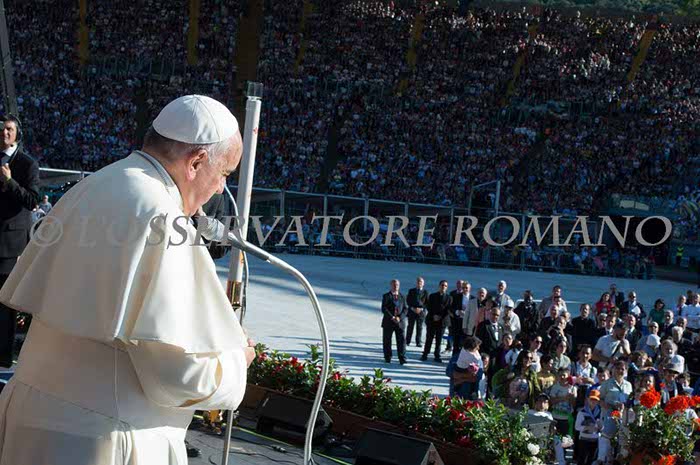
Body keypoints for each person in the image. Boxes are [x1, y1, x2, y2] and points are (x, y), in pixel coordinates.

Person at [0, 95, 255, 464]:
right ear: (197, 162)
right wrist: (236, 362)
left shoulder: (94, 183)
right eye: (225, 174)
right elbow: (177, 376)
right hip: (100, 440)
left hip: (29, 418)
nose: (219, 189)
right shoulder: (163, 218)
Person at [0, 114, 40, 368]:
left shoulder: (27, 164)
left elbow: (32, 200)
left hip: (10, 244)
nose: (4, 133)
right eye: (1, 129)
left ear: (17, 134)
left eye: (9, 129)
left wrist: (9, 181)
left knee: (4, 303)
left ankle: (3, 356)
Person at [421, 280, 451, 363]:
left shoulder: (449, 298)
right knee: (429, 338)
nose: (443, 287)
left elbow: (448, 309)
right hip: (432, 320)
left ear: (447, 287)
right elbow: (429, 306)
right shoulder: (432, 296)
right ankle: (425, 354)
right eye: (442, 285)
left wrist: (440, 316)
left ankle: (437, 355)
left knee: (439, 340)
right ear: (439, 286)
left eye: (445, 286)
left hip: (442, 322)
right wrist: (434, 315)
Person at [380, 279, 407, 364]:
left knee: (401, 341)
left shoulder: (402, 296)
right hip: (388, 322)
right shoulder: (386, 296)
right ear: (391, 285)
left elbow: (405, 309)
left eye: (397, 285)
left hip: (400, 323)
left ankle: (402, 358)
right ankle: (388, 357)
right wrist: (392, 317)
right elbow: (384, 308)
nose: (395, 286)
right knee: (387, 340)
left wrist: (400, 317)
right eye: (394, 285)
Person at [405, 276, 428, 347]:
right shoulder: (411, 291)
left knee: (419, 327)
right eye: (418, 281)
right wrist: (412, 308)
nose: (419, 283)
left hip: (421, 312)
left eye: (421, 282)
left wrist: (421, 309)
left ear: (423, 284)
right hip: (412, 311)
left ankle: (418, 342)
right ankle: (407, 341)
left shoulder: (425, 292)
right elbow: (408, 300)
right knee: (410, 326)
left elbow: (427, 303)